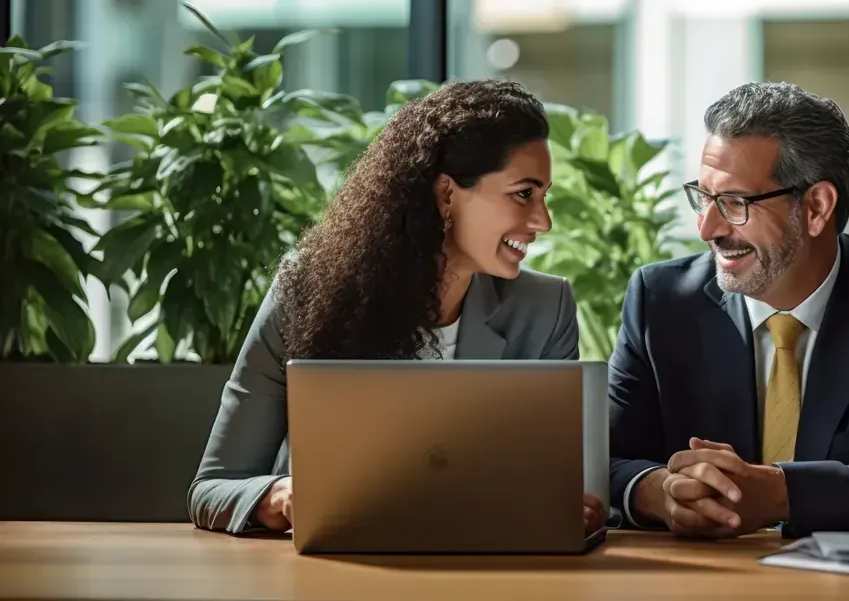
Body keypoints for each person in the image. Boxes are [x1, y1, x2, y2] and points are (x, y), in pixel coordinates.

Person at [188, 79, 606, 536]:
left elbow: (554, 489)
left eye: (543, 196)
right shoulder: (307, 291)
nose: (542, 220)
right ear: (447, 193)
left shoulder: (546, 310)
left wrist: (567, 507)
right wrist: (282, 497)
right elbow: (213, 488)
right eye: (523, 193)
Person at [608, 82, 849, 539]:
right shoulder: (660, 299)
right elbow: (601, 460)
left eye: (734, 203)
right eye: (704, 197)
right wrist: (660, 491)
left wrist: (780, 492)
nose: (706, 228)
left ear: (816, 207)